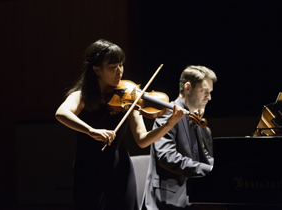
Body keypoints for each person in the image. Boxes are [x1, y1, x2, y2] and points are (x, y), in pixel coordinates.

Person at [55, 39, 185, 210]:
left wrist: (169, 124)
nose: (120, 71)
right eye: (113, 67)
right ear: (96, 69)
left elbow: (143, 140)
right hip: (88, 171)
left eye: (121, 65)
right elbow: (61, 113)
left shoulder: (129, 97)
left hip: (120, 170)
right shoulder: (81, 96)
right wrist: (91, 130)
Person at [141, 65, 217, 210]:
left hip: (192, 194)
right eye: (204, 91)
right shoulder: (168, 114)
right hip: (168, 200)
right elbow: (167, 157)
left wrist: (219, 168)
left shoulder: (194, 117)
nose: (209, 97)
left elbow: (204, 155)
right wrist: (209, 169)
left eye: (210, 92)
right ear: (188, 87)